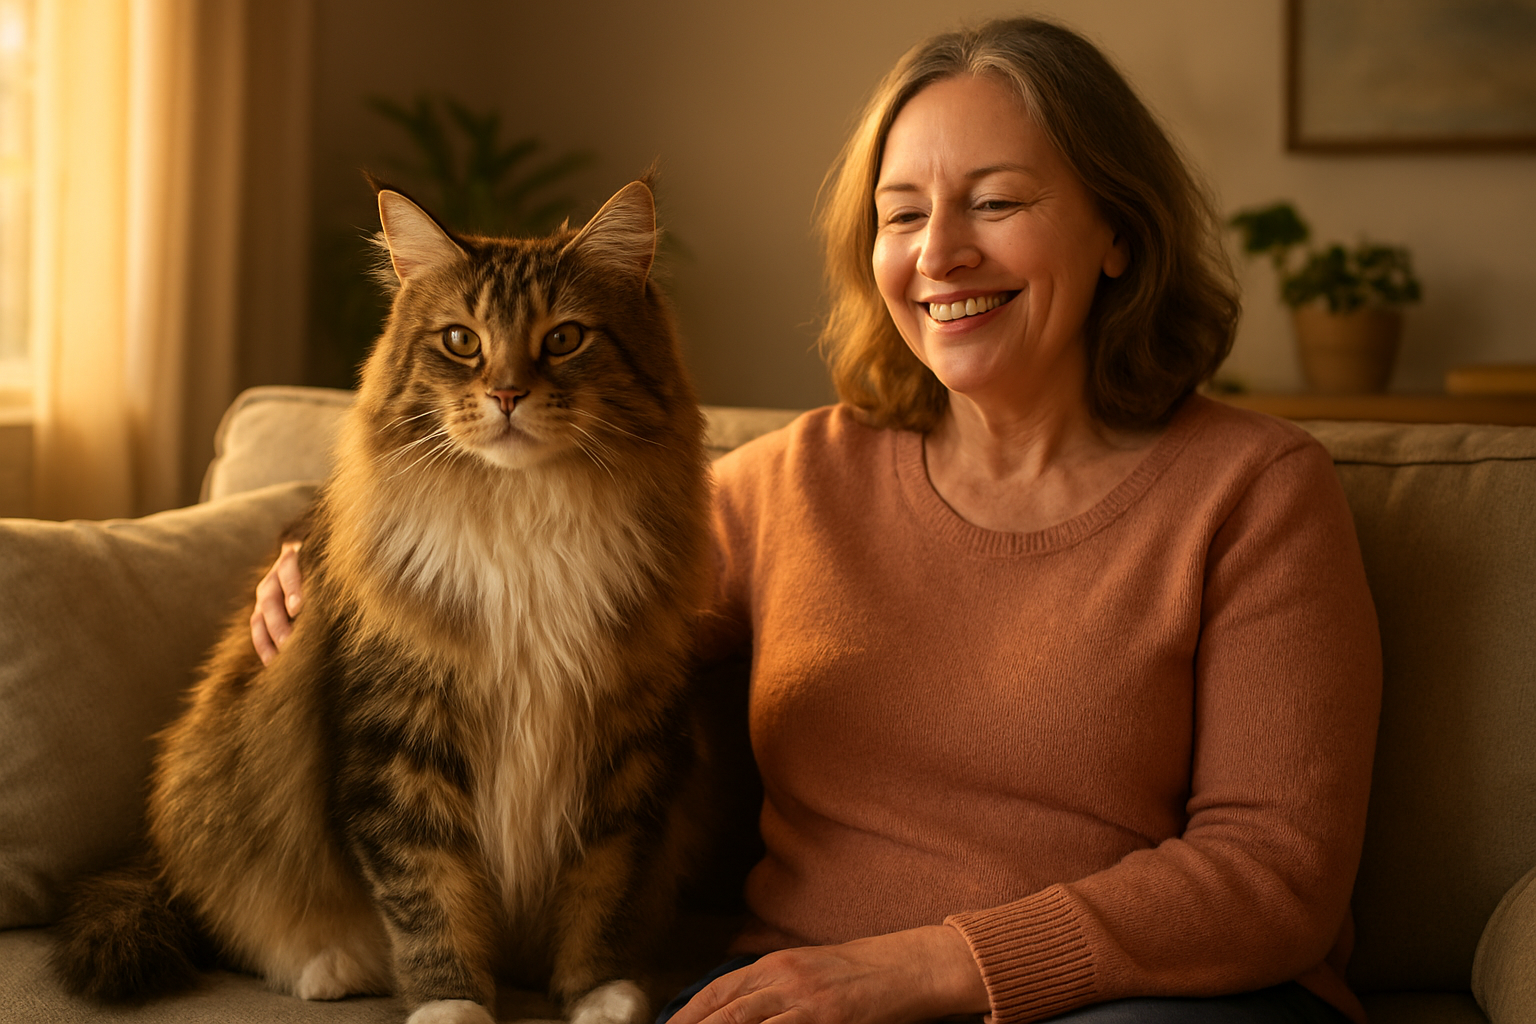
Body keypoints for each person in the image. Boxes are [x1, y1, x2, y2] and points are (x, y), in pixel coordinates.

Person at [253, 18, 1380, 1024]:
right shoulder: (790, 481)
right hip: (796, 992)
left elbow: (1274, 872)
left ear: (1118, 233)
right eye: (904, 214)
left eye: (996, 202)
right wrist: (331, 584)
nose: (941, 253)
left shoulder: (1256, 491)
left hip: (1131, 1002)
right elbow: (543, 623)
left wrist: (931, 967)